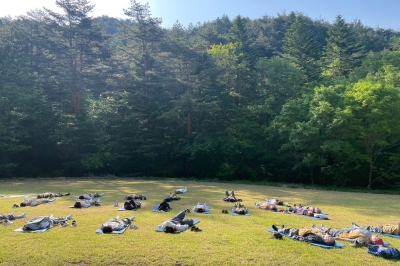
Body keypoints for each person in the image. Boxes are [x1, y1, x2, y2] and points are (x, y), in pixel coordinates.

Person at [317, 224, 385, 246]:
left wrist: (338, 238)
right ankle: (322, 228)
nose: (376, 236)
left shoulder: (364, 240)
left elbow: (351, 240)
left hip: (346, 233)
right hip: (350, 229)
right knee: (334, 230)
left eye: (376, 238)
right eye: (377, 237)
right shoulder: (370, 234)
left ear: (373, 241)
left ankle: (319, 229)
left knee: (331, 231)